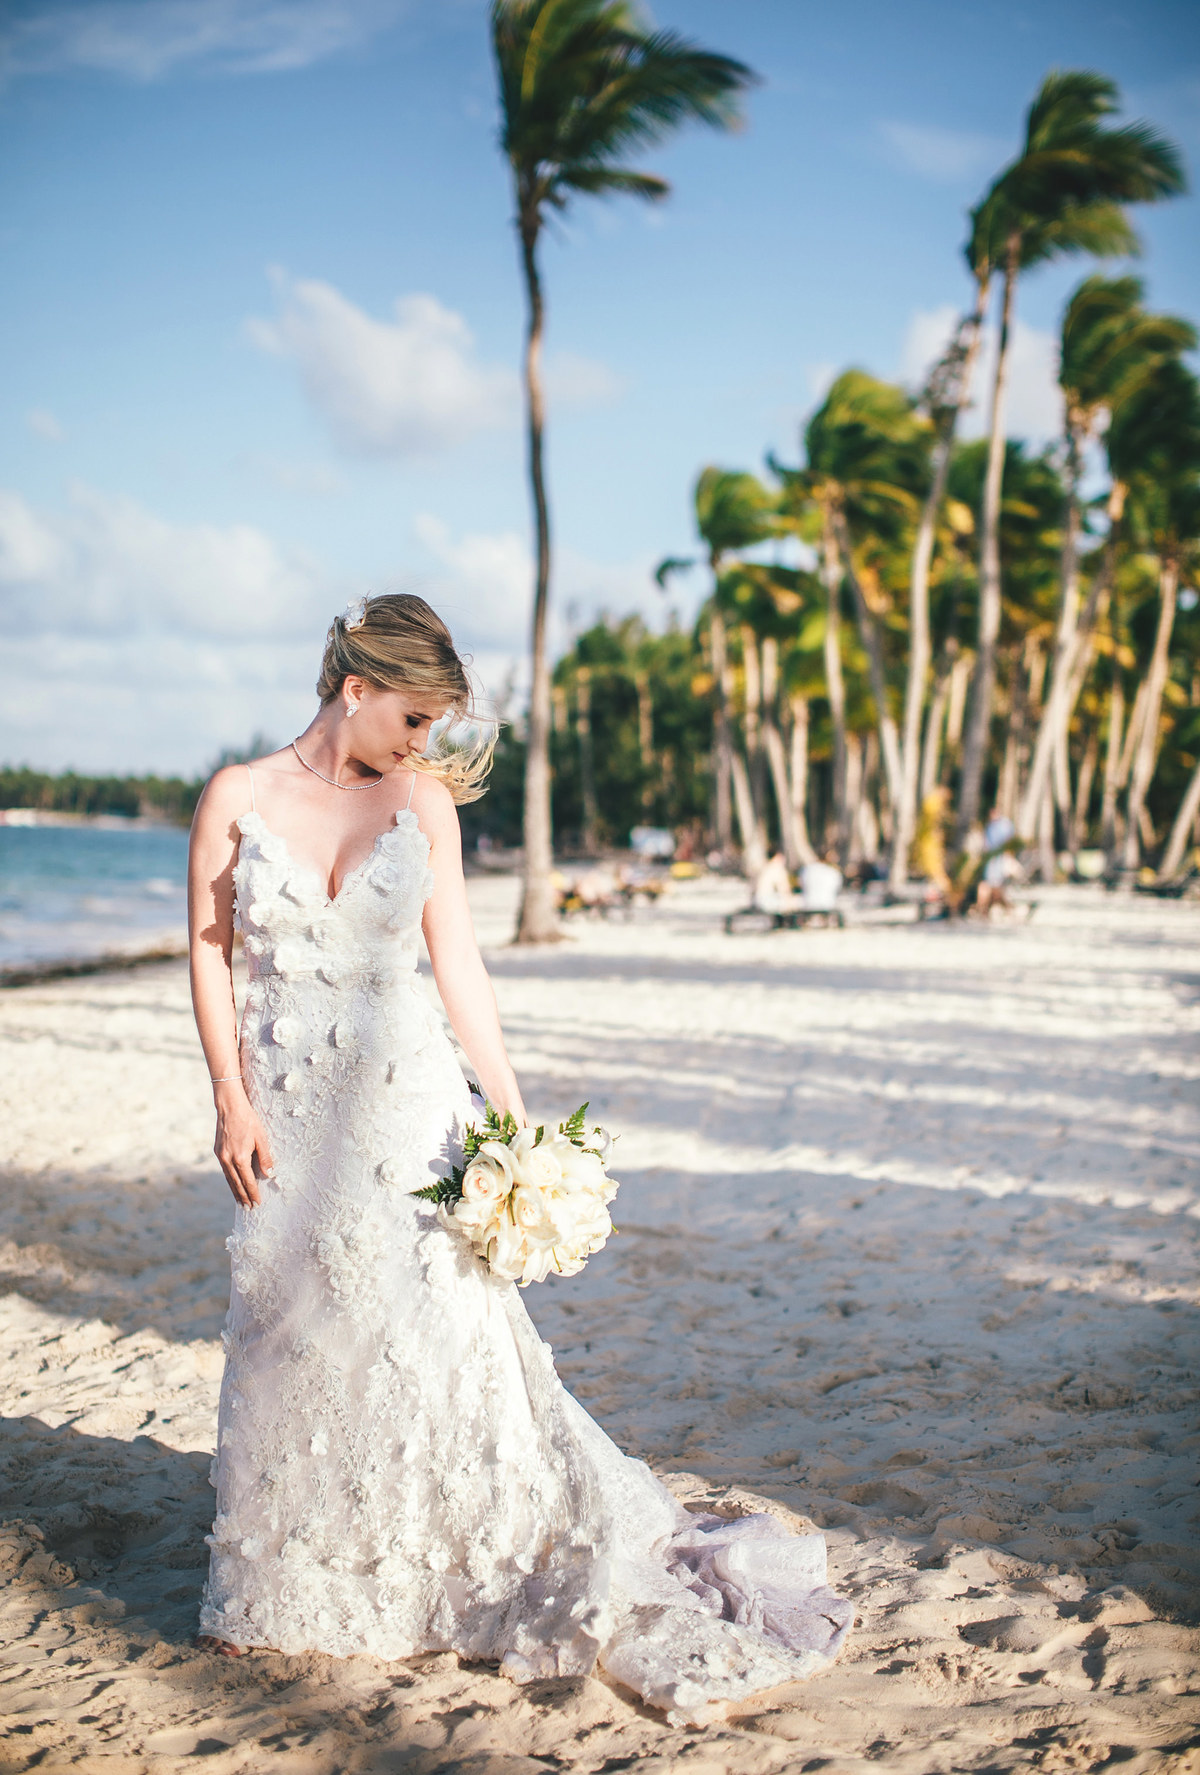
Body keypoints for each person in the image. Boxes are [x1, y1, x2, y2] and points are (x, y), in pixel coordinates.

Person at [187, 594, 850, 1724]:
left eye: (437, 724)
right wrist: (229, 1100)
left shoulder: (424, 804)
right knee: (290, 1329)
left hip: (408, 1112)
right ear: (354, 689)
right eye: (413, 718)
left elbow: (459, 965)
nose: (423, 742)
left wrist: (512, 1107)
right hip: (291, 1118)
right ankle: (288, 1574)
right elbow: (211, 955)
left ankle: (438, 1564)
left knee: (432, 1337)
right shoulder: (236, 798)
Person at [978, 806, 1016, 916]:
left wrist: (1009, 858)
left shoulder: (1005, 824)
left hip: (1000, 860)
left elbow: (1009, 842)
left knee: (997, 887)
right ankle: (984, 909)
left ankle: (1007, 909)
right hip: (991, 860)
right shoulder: (989, 826)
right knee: (990, 885)